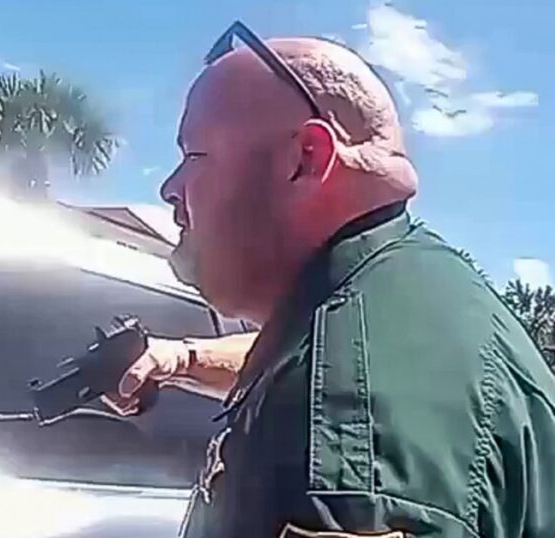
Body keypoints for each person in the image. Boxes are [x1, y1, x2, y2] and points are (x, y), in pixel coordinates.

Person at [106, 21, 555, 538]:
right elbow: (308, 353)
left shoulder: (345, 452)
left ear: (307, 158)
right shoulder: (402, 298)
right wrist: (181, 358)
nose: (169, 187)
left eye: (193, 156)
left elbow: (338, 383)